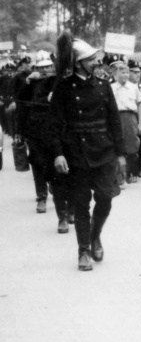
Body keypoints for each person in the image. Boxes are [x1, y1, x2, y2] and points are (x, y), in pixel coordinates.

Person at [49, 33, 127, 271]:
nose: (96, 62)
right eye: (91, 59)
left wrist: (121, 155)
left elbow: (115, 121)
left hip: (104, 151)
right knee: (81, 203)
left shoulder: (103, 85)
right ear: (79, 63)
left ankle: (94, 236)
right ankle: (84, 251)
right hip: (76, 154)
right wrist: (58, 153)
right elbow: (54, 124)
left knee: (106, 199)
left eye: (96, 58)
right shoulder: (63, 87)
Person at [16, 52, 72, 232]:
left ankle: (69, 208)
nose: (45, 70)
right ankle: (42, 197)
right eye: (41, 68)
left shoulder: (61, 81)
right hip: (36, 131)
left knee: (64, 170)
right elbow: (21, 104)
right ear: (35, 68)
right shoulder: (30, 82)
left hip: (60, 131)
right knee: (38, 164)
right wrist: (19, 132)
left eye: (48, 67)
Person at [110, 59, 141, 186]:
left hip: (130, 117)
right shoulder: (111, 88)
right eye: (122, 73)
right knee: (118, 145)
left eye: (127, 72)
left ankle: (130, 172)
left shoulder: (133, 87)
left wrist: (140, 123)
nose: (125, 75)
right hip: (116, 117)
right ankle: (119, 176)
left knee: (132, 146)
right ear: (115, 75)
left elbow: (139, 105)